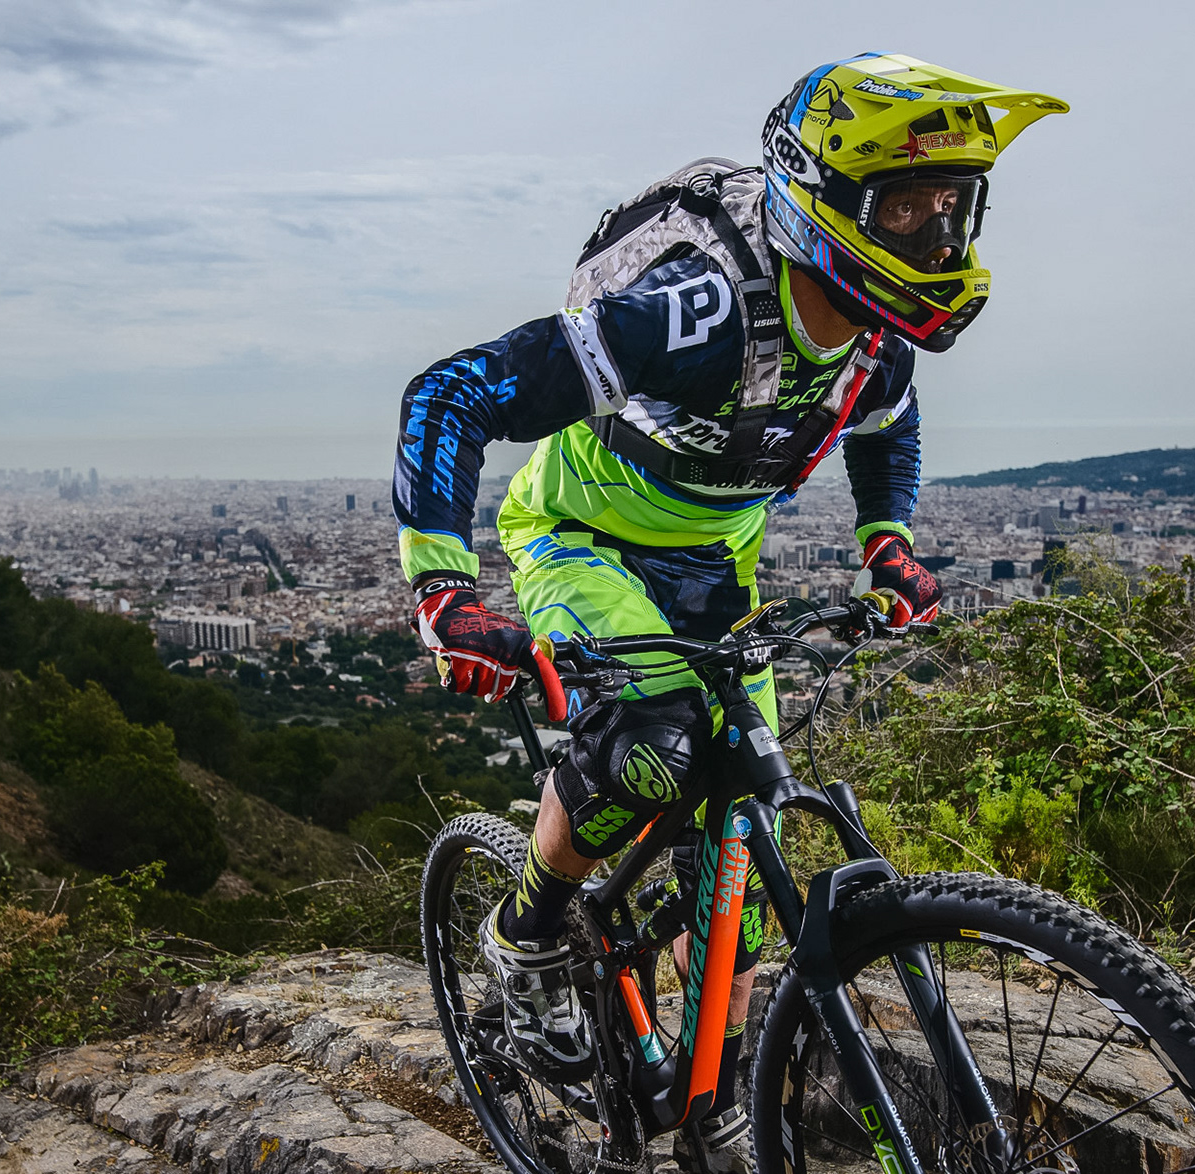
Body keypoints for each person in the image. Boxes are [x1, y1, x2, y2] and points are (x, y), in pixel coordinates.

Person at [392, 52, 1066, 1173]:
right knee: (651, 748)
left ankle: (716, 1102)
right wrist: (444, 594)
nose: (937, 236)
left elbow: (887, 425)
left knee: (743, 860)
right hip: (582, 536)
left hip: (714, 566)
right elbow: (451, 394)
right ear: (826, 204)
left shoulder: (871, 340)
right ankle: (528, 934)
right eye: (906, 208)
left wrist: (885, 541)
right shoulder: (700, 318)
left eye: (953, 209)